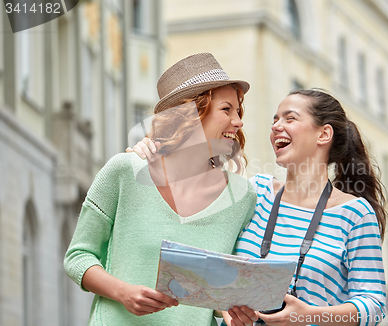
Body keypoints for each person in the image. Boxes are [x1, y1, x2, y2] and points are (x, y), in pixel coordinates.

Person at [131, 89, 388, 326]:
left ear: (324, 134)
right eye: (275, 120)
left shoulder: (356, 214)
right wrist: (154, 154)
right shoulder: (255, 192)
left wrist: (307, 315)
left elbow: (374, 306)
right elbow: (192, 208)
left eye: (290, 119)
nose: (276, 126)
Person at [64, 53, 257, 326]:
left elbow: (220, 291)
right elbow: (77, 257)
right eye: (227, 110)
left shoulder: (242, 196)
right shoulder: (125, 171)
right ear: (190, 113)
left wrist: (228, 312)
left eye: (239, 111)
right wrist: (124, 293)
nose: (238, 122)